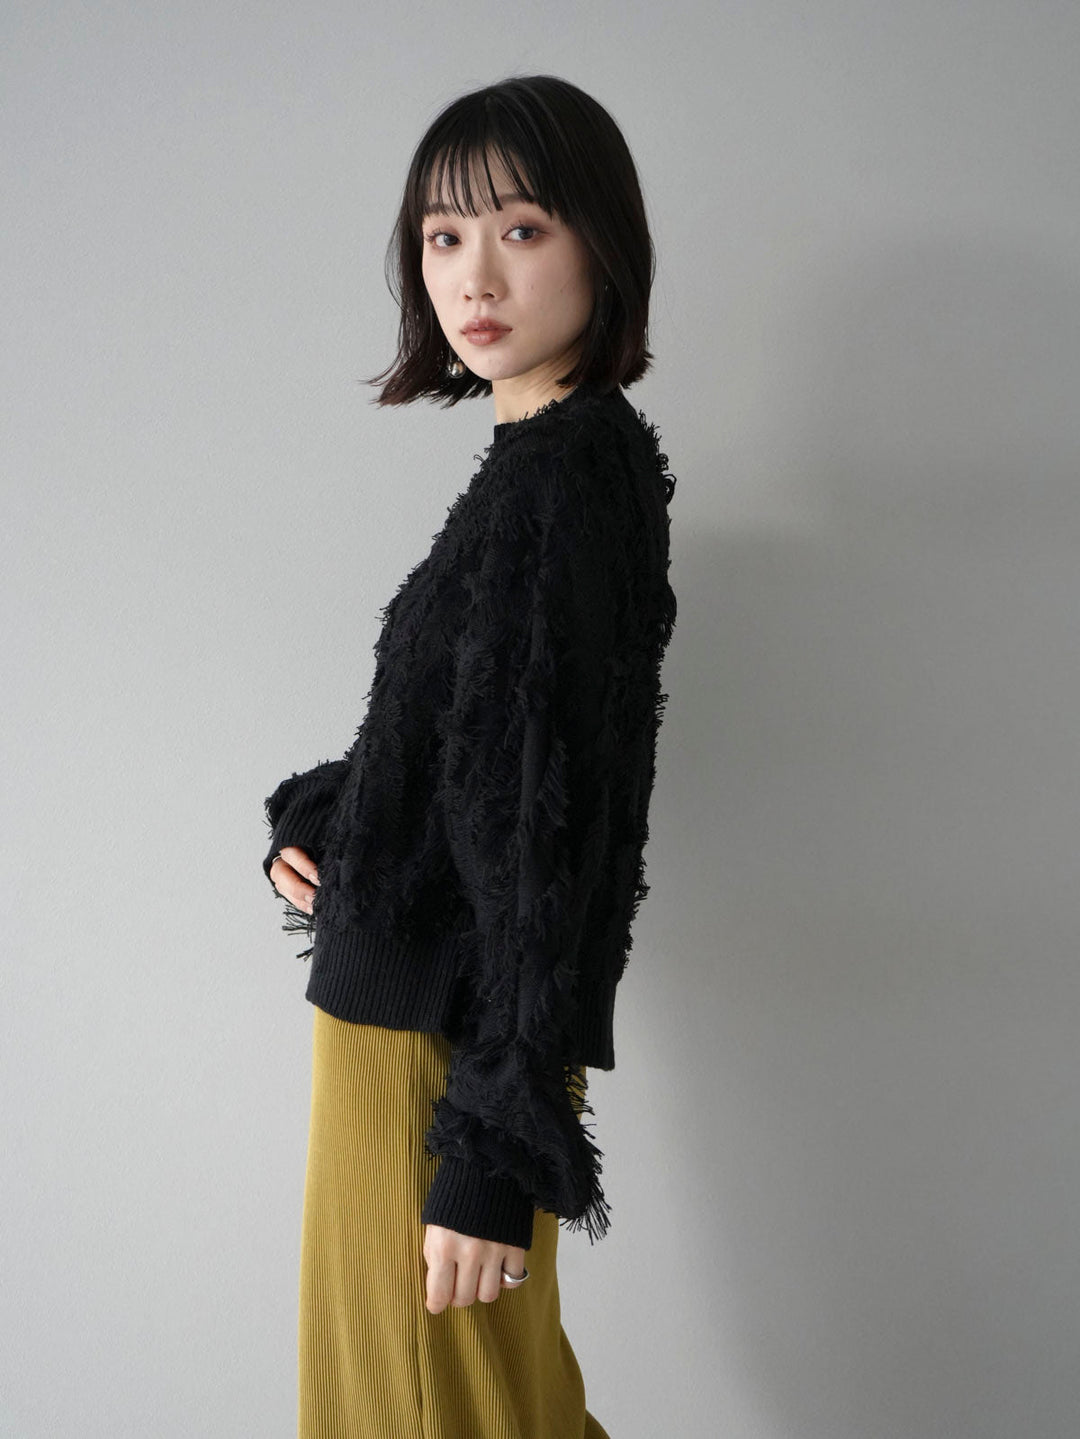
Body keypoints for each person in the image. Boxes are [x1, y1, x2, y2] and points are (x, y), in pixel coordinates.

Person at [263, 73, 678, 1438]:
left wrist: (495, 1151)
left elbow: (557, 838)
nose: (474, 275)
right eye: (444, 236)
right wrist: (324, 819)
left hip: (437, 1059)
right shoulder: (534, 470)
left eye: (522, 228)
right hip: (409, 1030)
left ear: (602, 245)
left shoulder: (567, 484)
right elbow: (457, 753)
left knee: (436, 1417)